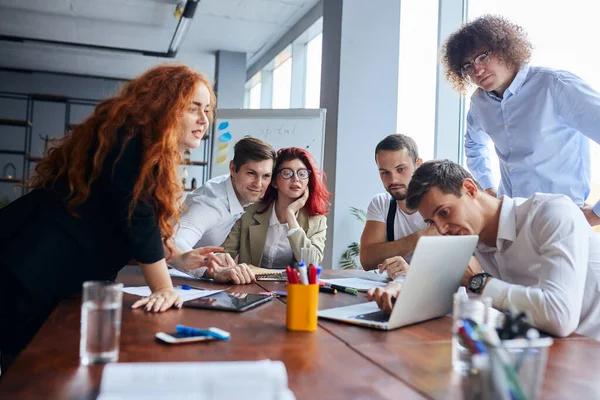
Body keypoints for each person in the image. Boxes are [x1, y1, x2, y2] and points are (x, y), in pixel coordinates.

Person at [0, 64, 227, 371]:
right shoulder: (133, 144)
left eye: (208, 110)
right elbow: (139, 215)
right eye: (193, 109)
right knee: (22, 375)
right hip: (27, 269)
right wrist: (163, 287)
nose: (204, 120)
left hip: (40, 269)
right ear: (165, 107)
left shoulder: (141, 145)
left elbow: (123, 224)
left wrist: (179, 257)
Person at [368, 160, 600, 340]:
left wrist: (480, 281)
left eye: (444, 212)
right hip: (538, 349)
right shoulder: (467, 237)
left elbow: (559, 317)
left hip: (588, 353)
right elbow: (429, 273)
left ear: (469, 189)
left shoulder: (552, 213)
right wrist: (399, 287)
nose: (441, 228)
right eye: (431, 222)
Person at [441, 15, 600, 226]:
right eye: (467, 66)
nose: (477, 70)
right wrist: (488, 188)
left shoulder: (555, 86)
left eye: (482, 57)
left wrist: (596, 214)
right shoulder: (480, 103)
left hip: (561, 221)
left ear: (505, 49)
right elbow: (474, 145)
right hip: (511, 222)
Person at [170, 136, 276, 281]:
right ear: (233, 169)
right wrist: (213, 268)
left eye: (266, 176)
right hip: (169, 278)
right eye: (251, 173)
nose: (258, 184)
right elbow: (174, 242)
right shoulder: (210, 204)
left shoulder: (246, 192)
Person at [221, 147, 331, 268]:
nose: (296, 178)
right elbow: (225, 254)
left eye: (302, 173)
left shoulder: (317, 220)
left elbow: (312, 263)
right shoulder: (250, 212)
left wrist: (290, 215)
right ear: (274, 182)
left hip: (292, 287)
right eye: (287, 173)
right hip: (250, 285)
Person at [359, 134, 437, 279]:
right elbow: (367, 259)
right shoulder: (382, 203)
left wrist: (411, 271)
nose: (393, 179)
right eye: (385, 173)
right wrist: (420, 238)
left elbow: (460, 267)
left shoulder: (439, 204)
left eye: (401, 169)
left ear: (418, 165)